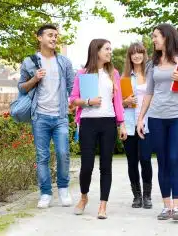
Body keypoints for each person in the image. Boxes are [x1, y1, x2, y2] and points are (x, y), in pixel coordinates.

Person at [137, 23, 178, 221]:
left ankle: (177, 207)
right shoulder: (152, 63)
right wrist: (140, 118)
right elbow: (149, 92)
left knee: (174, 159)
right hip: (156, 118)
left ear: (167, 37)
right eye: (153, 36)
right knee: (162, 161)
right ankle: (166, 206)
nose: (153, 40)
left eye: (156, 36)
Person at [18, 24, 74, 208]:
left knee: (63, 153)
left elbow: (71, 88)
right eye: (50, 35)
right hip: (40, 116)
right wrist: (35, 78)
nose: (54, 38)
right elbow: (21, 88)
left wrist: (72, 104)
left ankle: (64, 188)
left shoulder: (64, 62)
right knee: (42, 156)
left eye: (56, 36)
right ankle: (45, 193)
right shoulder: (30, 61)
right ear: (39, 37)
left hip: (60, 117)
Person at [70, 39, 127, 219]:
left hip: (108, 122)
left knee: (106, 166)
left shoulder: (114, 74)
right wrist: (88, 102)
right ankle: (84, 197)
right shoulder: (82, 73)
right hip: (88, 122)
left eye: (111, 48)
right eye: (107, 49)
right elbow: (73, 100)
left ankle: (103, 205)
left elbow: (117, 102)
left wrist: (122, 123)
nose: (110, 52)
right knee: (87, 166)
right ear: (97, 51)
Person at [122, 42, 153, 209]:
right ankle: (137, 196)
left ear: (144, 54)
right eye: (133, 53)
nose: (136, 56)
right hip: (129, 124)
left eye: (139, 52)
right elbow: (117, 104)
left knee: (146, 159)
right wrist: (124, 102)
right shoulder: (124, 78)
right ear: (130, 56)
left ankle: (147, 196)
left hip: (147, 123)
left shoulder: (151, 75)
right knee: (132, 161)